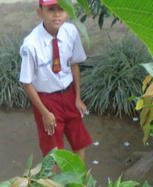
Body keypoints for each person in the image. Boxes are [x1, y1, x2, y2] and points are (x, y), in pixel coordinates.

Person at [19, 0, 92, 160]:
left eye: (62, 9)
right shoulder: (31, 44)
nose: (57, 14)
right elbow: (26, 82)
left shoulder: (70, 32)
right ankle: (52, 184)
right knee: (52, 151)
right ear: (40, 12)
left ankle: (78, 182)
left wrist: (77, 98)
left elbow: (74, 64)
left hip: (69, 94)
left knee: (79, 141)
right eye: (51, 9)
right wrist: (44, 112)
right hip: (46, 100)